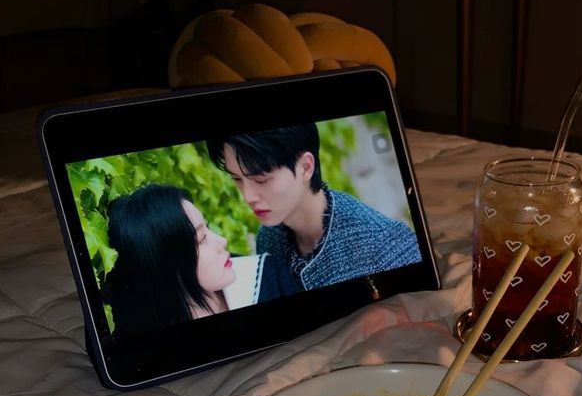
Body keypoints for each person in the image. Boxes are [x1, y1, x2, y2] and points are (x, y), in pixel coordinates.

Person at [206, 124, 422, 290]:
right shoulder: (268, 236)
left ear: (306, 167)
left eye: (261, 179)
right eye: (237, 179)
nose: (247, 196)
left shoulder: (386, 245)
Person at [104, 184, 297, 337]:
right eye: (201, 239)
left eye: (208, 228)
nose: (222, 241)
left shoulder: (268, 276)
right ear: (167, 266)